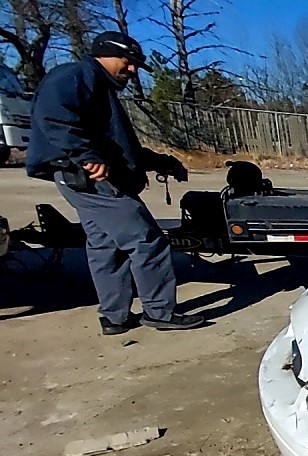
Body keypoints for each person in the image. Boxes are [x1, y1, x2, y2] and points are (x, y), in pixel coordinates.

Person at [26, 31, 205, 334]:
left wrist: (160, 162)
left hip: (85, 175)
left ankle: (114, 316)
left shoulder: (97, 87)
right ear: (107, 54)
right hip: (89, 177)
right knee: (146, 239)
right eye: (128, 61)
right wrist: (85, 155)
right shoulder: (77, 75)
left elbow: (118, 148)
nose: (132, 70)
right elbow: (54, 117)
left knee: (105, 244)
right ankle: (160, 312)